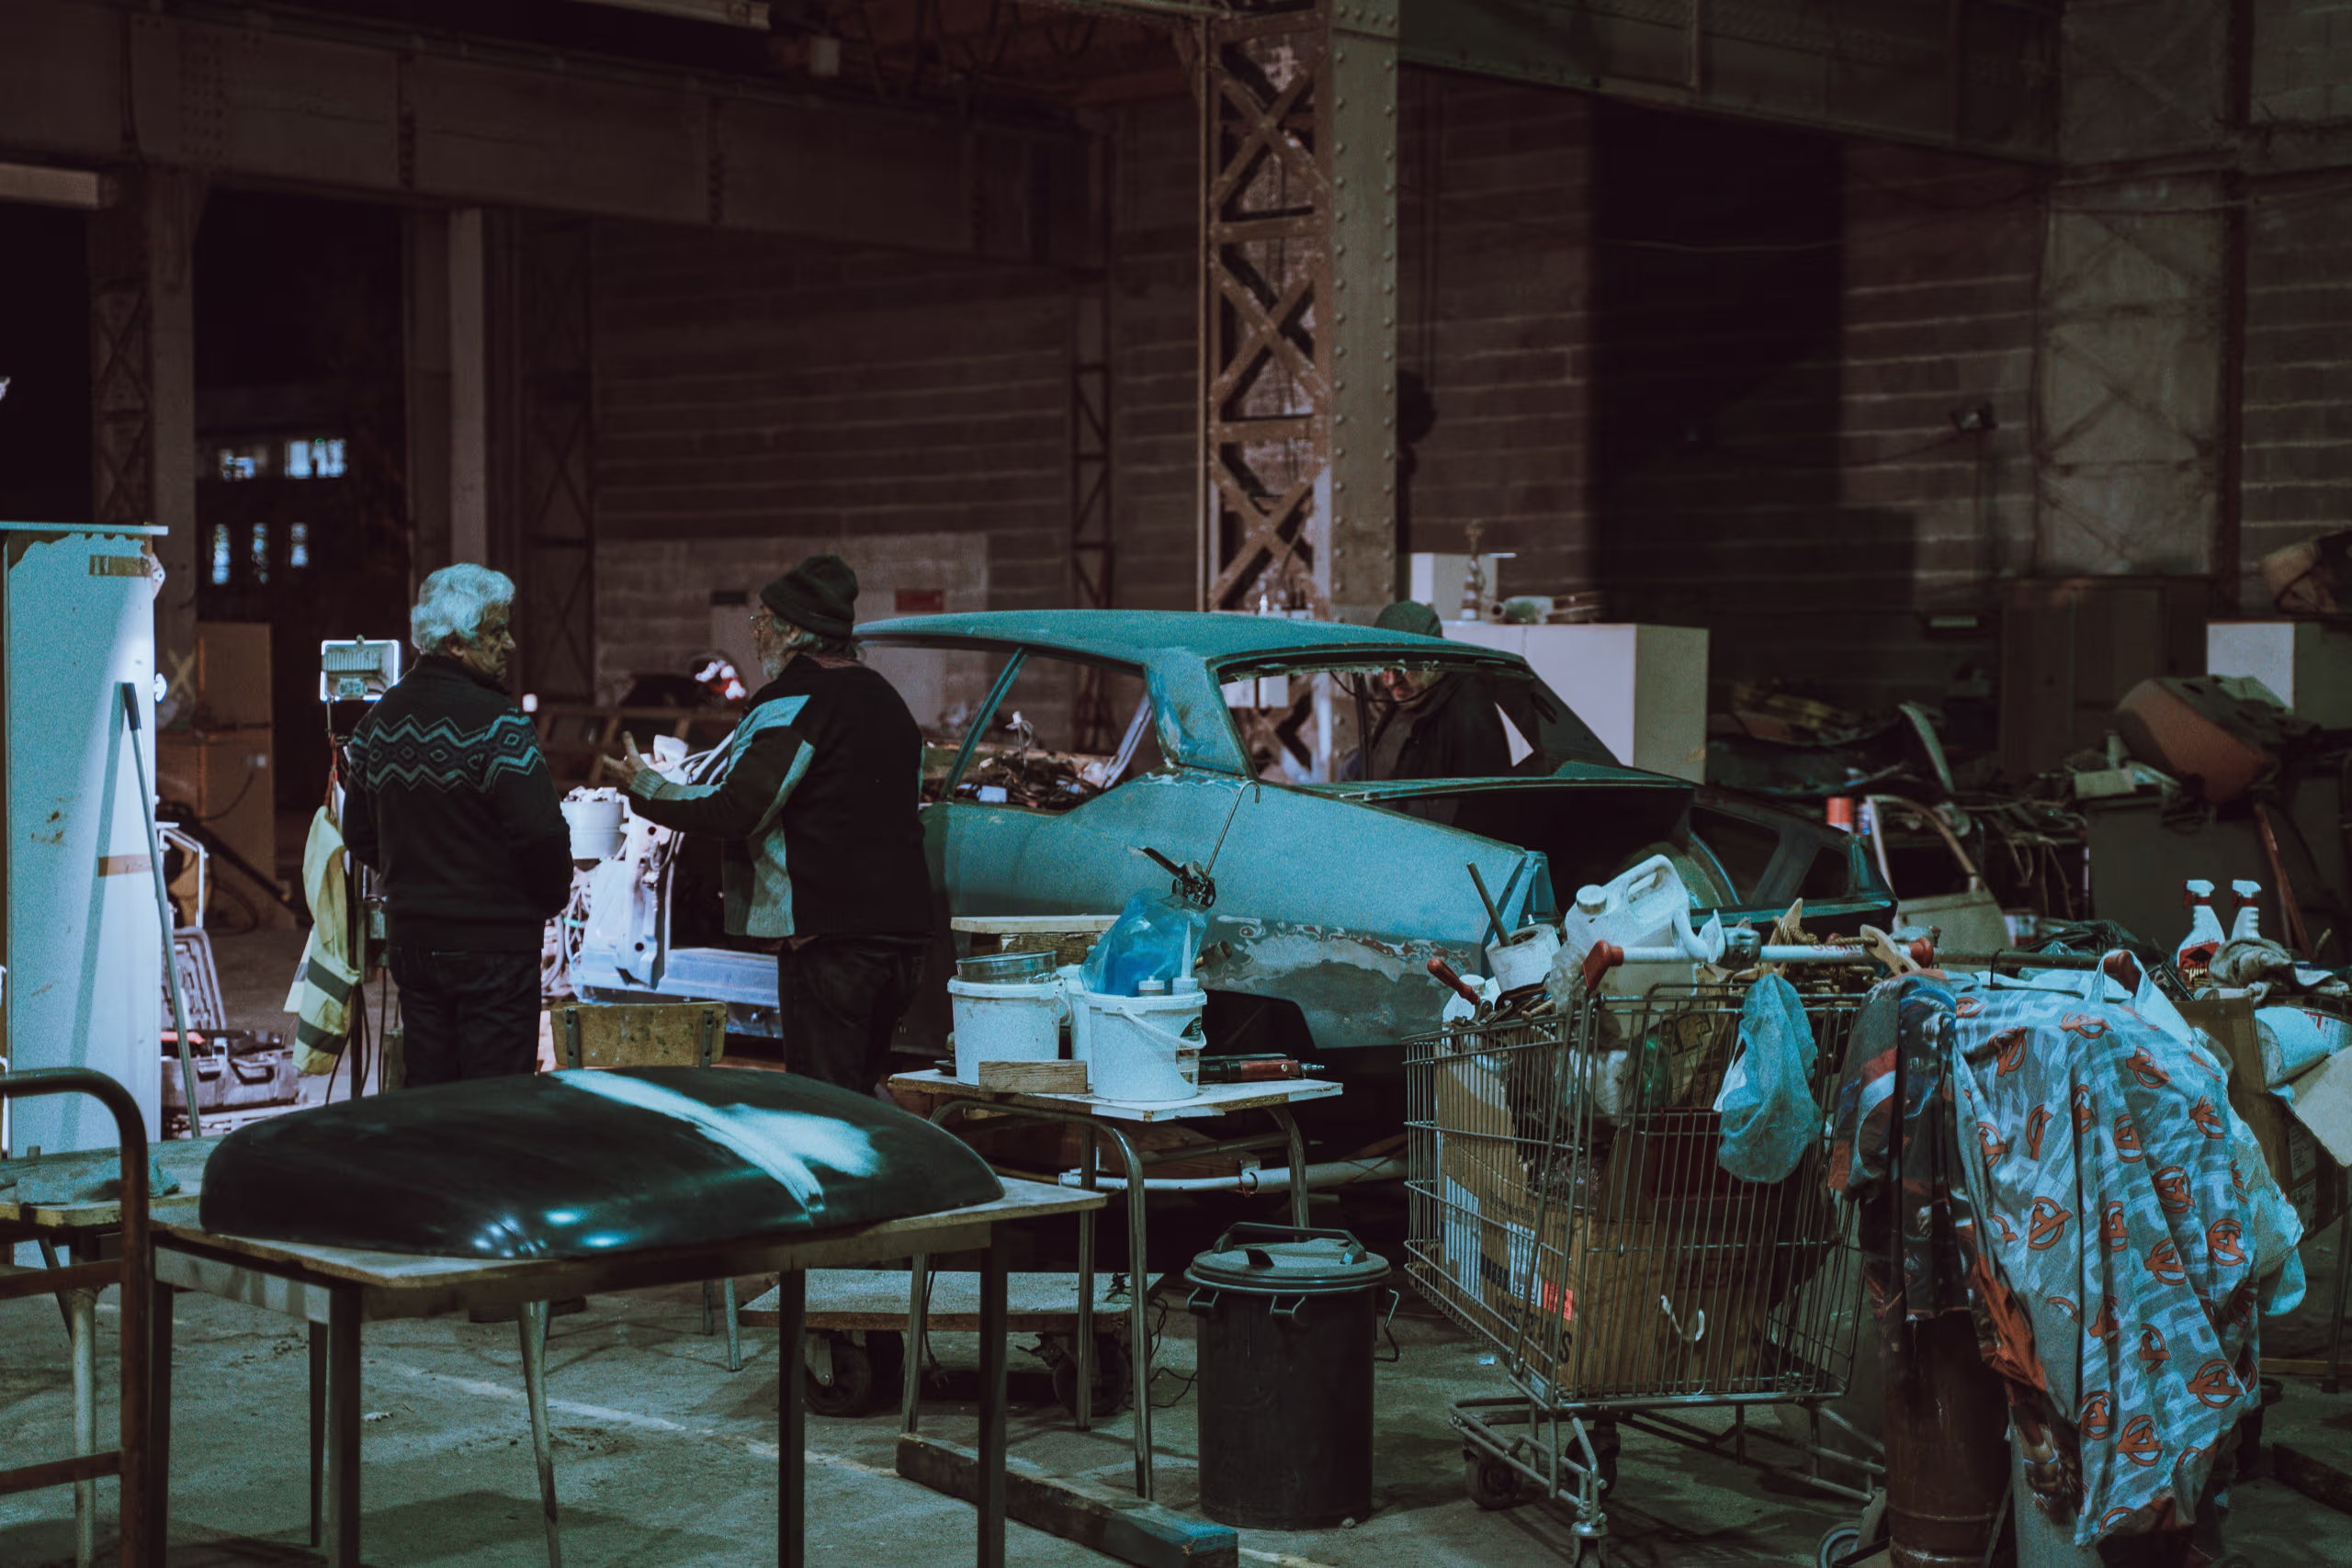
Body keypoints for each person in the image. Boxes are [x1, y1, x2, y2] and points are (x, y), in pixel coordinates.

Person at [602, 555, 932, 1094]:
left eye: (762, 621)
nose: (754, 634)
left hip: (830, 945)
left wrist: (648, 789)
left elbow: (738, 808)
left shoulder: (792, 699)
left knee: (821, 1104)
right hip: (901, 942)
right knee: (859, 1097)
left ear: (794, 631)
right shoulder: (888, 700)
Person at [344, 564, 571, 1085]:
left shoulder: (378, 722)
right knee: (493, 1101)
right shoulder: (498, 724)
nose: (510, 644)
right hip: (495, 949)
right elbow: (542, 834)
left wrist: (417, 875)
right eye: (495, 632)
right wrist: (543, 901)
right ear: (454, 643)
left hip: (414, 945)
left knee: (432, 1096)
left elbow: (359, 834)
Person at [1361, 598, 1512, 786]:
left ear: (1435, 660)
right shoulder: (1408, 696)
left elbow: (1482, 798)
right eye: (1384, 668)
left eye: (1402, 668)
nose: (1391, 681)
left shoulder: (1469, 711)